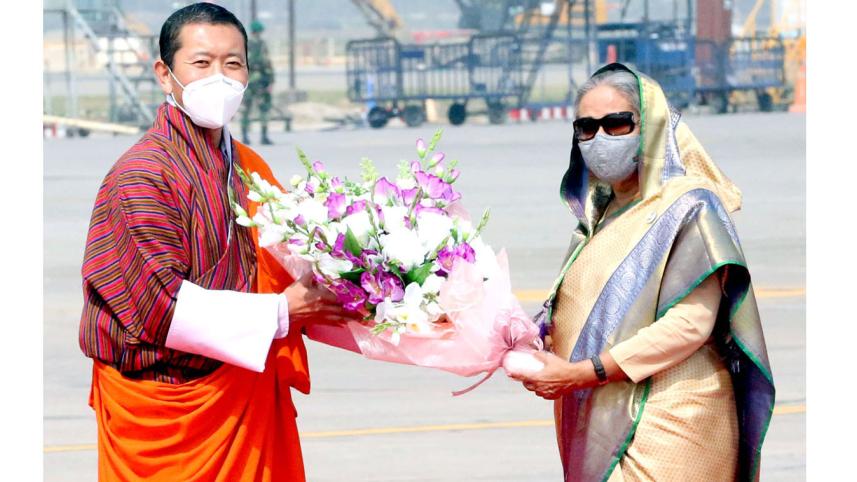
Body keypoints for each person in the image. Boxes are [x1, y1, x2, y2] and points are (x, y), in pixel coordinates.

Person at [78, 3, 356, 480]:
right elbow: (159, 309)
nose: (220, 78)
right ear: (165, 75)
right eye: (202, 64)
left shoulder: (246, 165)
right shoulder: (141, 176)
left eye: (233, 64)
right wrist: (281, 312)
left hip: (238, 396)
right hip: (165, 413)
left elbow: (293, 260)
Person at [511, 63, 775, 481]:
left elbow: (691, 324)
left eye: (616, 124)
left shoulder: (688, 206)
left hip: (671, 419)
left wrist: (583, 373)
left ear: (648, 127)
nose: (600, 139)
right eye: (586, 127)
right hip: (604, 407)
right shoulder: (600, 218)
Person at [241, 19, 275, 145]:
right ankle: (263, 136)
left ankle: (245, 136)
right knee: (263, 109)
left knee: (246, 109)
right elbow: (267, 63)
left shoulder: (244, 44)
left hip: (249, 81)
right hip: (259, 81)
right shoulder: (261, 45)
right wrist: (271, 80)